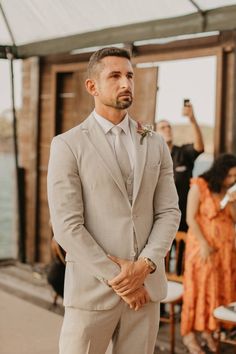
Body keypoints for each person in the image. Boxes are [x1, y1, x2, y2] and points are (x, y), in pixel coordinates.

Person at [47, 47, 180, 354]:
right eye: (115, 76)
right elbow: (67, 226)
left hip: (146, 291)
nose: (126, 83)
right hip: (92, 292)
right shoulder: (68, 145)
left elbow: (169, 211)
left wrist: (144, 266)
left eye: (130, 75)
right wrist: (121, 280)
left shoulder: (155, 142)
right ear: (92, 86)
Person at [181, 153, 236, 354]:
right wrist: (204, 244)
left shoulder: (225, 190)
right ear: (219, 171)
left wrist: (230, 201)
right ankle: (189, 334)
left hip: (224, 251)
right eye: (229, 175)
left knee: (216, 289)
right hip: (202, 248)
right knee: (199, 289)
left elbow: (232, 219)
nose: (232, 180)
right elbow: (190, 218)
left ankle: (208, 331)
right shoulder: (199, 185)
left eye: (234, 177)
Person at [156, 103, 204, 232]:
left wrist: (192, 119)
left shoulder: (183, 153)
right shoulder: (152, 156)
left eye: (169, 127)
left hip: (184, 217)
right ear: (155, 133)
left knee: (182, 252)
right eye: (162, 127)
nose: (167, 129)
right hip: (160, 218)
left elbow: (199, 147)